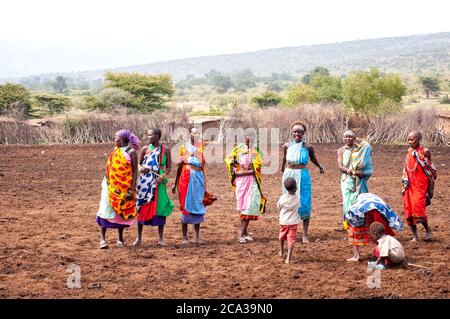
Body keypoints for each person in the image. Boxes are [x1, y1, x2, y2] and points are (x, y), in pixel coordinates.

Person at [281, 121, 324, 243]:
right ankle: (288, 231)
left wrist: (320, 167)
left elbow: (313, 159)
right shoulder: (287, 146)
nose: (297, 134)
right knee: (288, 201)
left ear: (303, 133)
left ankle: (305, 234)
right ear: (292, 132)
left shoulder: (308, 147)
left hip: (303, 174)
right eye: (295, 131)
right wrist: (282, 168)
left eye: (299, 132)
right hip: (289, 173)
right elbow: (284, 158)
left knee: (304, 202)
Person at [96, 129, 140, 249]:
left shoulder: (131, 152)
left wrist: (132, 189)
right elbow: (109, 168)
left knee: (121, 212)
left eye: (116, 138)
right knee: (105, 209)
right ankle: (102, 238)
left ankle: (120, 238)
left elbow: (135, 171)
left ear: (122, 139)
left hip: (125, 187)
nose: (114, 140)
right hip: (110, 186)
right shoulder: (115, 151)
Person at [172, 127, 216, 245]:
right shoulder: (183, 147)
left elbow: (203, 162)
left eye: (197, 133)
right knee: (185, 205)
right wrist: (175, 183)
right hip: (185, 178)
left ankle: (197, 237)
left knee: (198, 203)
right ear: (189, 134)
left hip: (198, 178)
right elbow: (180, 163)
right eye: (193, 133)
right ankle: (184, 237)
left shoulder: (201, 146)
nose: (195, 135)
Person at [133, 128, 174, 247]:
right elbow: (139, 164)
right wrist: (141, 169)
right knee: (142, 206)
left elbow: (168, 167)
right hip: (145, 182)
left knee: (160, 207)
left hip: (158, 182)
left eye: (150, 135)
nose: (148, 137)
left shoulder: (165, 149)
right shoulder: (145, 149)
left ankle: (161, 238)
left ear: (157, 136)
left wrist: (162, 177)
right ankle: (139, 238)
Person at [224, 134, 266, 243]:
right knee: (244, 207)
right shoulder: (239, 150)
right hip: (242, 183)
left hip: (252, 181)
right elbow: (228, 159)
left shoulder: (256, 152)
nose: (248, 142)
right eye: (247, 140)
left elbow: (255, 170)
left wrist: (240, 173)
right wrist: (234, 171)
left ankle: (243, 233)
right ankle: (242, 234)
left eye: (251, 140)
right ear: (244, 140)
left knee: (251, 205)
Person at [344, 193, 403, 261]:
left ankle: (356, 255)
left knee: (353, 230)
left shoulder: (357, 204)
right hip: (373, 213)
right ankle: (373, 252)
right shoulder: (376, 201)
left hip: (369, 213)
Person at [402, 131, 437, 241]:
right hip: (409, 185)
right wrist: (405, 180)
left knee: (418, 208)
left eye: (412, 139)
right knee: (408, 210)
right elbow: (407, 167)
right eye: (408, 139)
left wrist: (431, 188)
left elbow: (430, 170)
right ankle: (415, 235)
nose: (409, 142)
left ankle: (428, 230)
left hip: (420, 185)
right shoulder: (409, 151)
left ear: (419, 139)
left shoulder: (425, 151)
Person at [337, 129, 373, 229]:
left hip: (359, 180)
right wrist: (350, 171)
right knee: (347, 204)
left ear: (354, 138)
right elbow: (340, 166)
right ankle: (348, 229)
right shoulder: (341, 151)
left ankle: (361, 228)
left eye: (350, 136)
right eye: (346, 136)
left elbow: (367, 162)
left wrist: (361, 173)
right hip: (347, 180)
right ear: (343, 138)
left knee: (360, 203)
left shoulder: (361, 149)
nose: (348, 138)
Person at [278, 177, 302, 264]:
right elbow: (299, 207)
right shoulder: (298, 198)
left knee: (281, 237)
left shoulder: (282, 198)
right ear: (295, 188)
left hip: (283, 221)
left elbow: (279, 206)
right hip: (293, 222)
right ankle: (288, 258)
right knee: (291, 240)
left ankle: (281, 251)